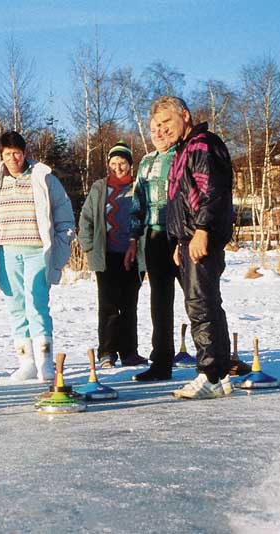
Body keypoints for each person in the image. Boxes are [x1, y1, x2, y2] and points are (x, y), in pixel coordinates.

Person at [0, 131, 75, 381]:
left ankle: (45, 362)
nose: (13, 158)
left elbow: (64, 217)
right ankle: (26, 361)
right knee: (15, 306)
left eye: (17, 153)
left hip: (37, 251)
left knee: (36, 304)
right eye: (7, 154)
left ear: (25, 152)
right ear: (1, 155)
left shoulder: (44, 178)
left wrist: (60, 247)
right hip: (7, 252)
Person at [153, 96, 235, 399]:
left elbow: (211, 191)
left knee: (200, 305)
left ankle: (209, 373)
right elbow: (182, 200)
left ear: (184, 116)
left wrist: (201, 231)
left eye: (167, 122)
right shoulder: (184, 150)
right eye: (158, 125)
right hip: (189, 239)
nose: (162, 129)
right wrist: (180, 240)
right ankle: (222, 373)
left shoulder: (202, 144)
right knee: (207, 302)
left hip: (202, 236)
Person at [78, 141, 148, 369]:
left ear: (130, 165)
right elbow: (86, 218)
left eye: (123, 163)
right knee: (107, 305)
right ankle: (107, 352)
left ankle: (129, 352)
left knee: (129, 304)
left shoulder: (139, 187)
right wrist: (88, 246)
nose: (118, 167)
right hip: (106, 256)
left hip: (133, 256)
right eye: (114, 163)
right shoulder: (100, 188)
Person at [126, 116, 180, 381]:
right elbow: (137, 203)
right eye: (154, 129)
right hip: (155, 238)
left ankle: (215, 360)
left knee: (199, 300)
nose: (159, 133)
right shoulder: (146, 162)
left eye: (164, 127)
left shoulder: (183, 156)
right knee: (160, 303)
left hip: (182, 237)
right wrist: (134, 239)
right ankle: (161, 363)